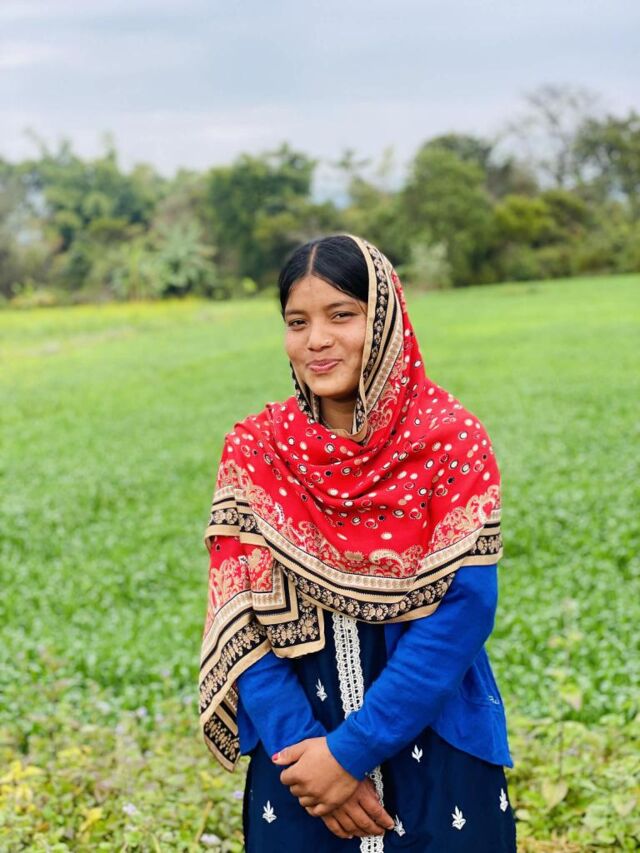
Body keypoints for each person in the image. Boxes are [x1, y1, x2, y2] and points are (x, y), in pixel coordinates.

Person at [199, 235, 517, 852]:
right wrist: (306, 756)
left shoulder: (449, 440)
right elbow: (240, 613)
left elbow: (465, 608)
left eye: (341, 314)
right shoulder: (255, 450)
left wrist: (351, 750)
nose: (316, 339)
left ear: (388, 319)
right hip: (298, 759)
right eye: (297, 321)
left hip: (433, 732)